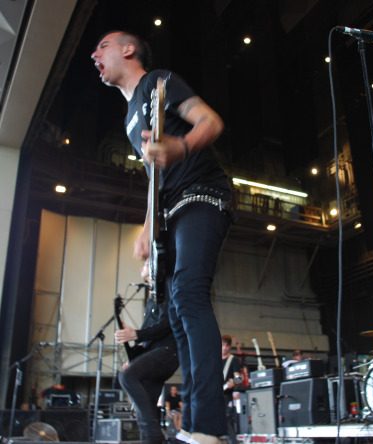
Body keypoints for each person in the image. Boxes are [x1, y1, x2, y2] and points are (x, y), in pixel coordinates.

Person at [92, 31, 232, 444]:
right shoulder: (129, 117)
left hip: (203, 193)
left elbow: (211, 121)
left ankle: (207, 425)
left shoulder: (160, 81)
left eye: (102, 46)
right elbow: (156, 177)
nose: (94, 54)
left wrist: (182, 146)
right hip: (170, 210)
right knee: (174, 311)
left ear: (128, 49)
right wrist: (147, 227)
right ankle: (193, 425)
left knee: (189, 293)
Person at [115, 295, 179, 444]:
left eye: (144, 268)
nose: (141, 269)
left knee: (127, 377)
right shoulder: (152, 299)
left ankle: (155, 435)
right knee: (146, 410)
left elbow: (166, 324)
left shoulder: (165, 291)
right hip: (155, 352)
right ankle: (153, 438)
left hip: (168, 351)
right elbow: (149, 339)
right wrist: (136, 357)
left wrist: (136, 334)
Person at [221, 336, 242, 444]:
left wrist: (232, 382)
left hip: (225, 394)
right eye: (223, 345)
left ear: (230, 347)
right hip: (213, 393)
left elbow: (239, 378)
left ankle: (233, 441)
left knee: (225, 419)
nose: (224, 348)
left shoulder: (233, 360)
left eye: (227, 346)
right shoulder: (215, 358)